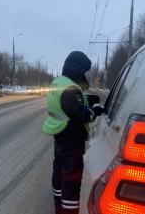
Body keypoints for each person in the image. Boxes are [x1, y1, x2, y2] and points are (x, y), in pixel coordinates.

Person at [42, 51, 104, 214]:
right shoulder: (71, 88)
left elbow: (68, 108)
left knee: (59, 174)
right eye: (84, 71)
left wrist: (86, 105)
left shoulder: (58, 83)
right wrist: (94, 111)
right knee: (71, 180)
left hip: (61, 136)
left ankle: (59, 206)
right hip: (72, 140)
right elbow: (79, 114)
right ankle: (69, 210)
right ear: (77, 69)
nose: (85, 75)